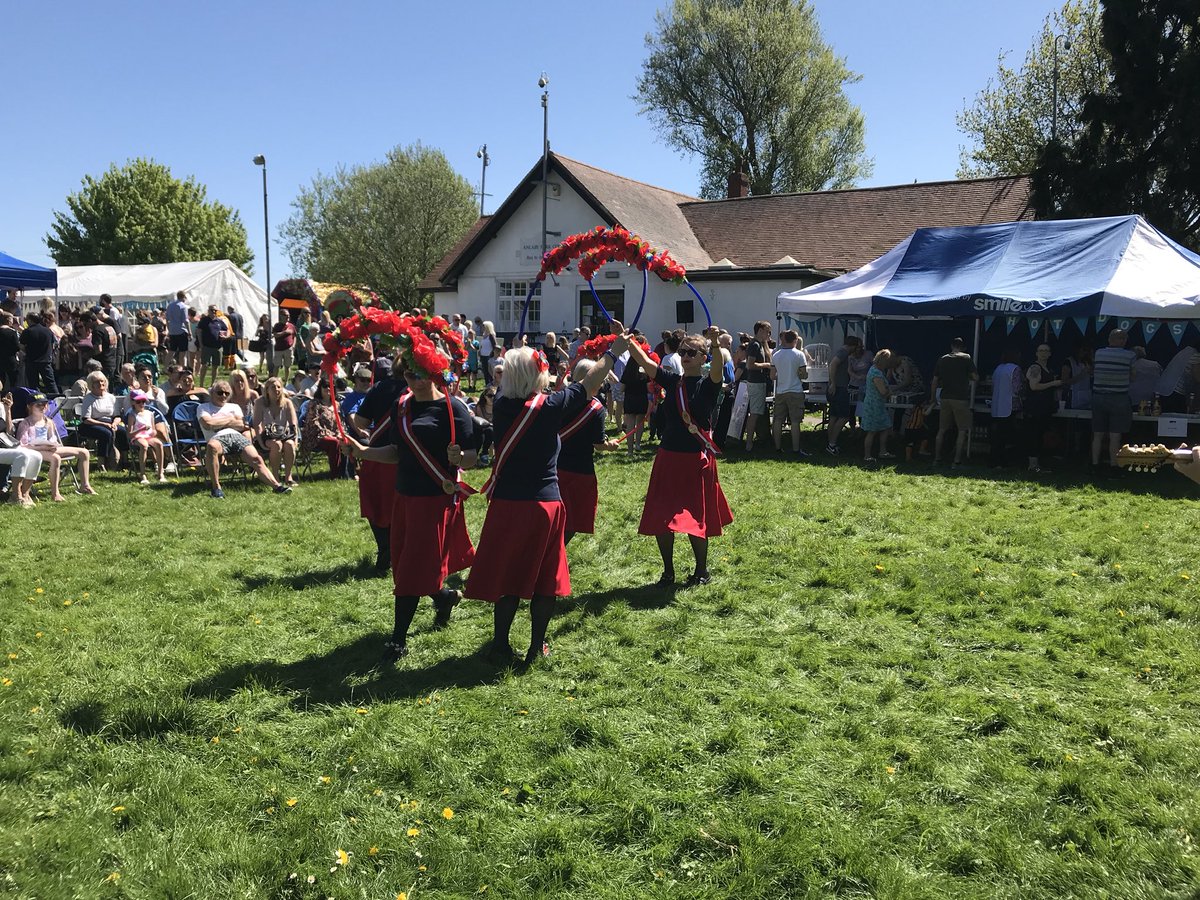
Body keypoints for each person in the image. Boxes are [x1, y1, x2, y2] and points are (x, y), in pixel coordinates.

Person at [465, 327, 627, 667]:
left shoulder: (503, 405)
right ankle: (536, 647)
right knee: (545, 580)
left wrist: (522, 355)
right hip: (543, 504)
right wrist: (614, 351)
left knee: (509, 577)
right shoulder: (551, 407)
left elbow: (527, 381)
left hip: (507, 503)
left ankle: (499, 645)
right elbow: (590, 383)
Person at [343, 338, 476, 663]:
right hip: (403, 497)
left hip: (434, 501)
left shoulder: (452, 408)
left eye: (421, 374)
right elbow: (397, 452)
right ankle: (443, 597)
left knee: (412, 568)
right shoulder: (400, 406)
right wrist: (364, 452)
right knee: (408, 565)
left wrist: (461, 457)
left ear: (434, 374)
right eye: (409, 374)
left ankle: (398, 640)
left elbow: (472, 457)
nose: (414, 381)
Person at [628, 326, 732, 587]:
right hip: (669, 456)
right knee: (663, 516)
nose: (684, 355)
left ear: (702, 358)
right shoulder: (673, 381)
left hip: (696, 459)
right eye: (683, 351)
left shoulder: (710, 384)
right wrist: (627, 339)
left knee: (697, 518)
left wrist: (716, 342)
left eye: (691, 352)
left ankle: (701, 571)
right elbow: (644, 361)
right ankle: (668, 572)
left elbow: (718, 365)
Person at [351, 356, 407, 571]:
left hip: (377, 454)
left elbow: (361, 422)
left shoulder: (379, 388)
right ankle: (396, 549)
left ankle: (385, 547)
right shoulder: (420, 391)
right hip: (409, 457)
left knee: (375, 502)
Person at [558, 358, 620, 545]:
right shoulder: (596, 409)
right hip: (580, 470)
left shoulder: (560, 399)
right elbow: (599, 444)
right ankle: (555, 552)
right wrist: (610, 445)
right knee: (573, 519)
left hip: (553, 466)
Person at [197, 380, 291, 499]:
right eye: (220, 392)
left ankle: (277, 486)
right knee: (211, 447)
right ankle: (216, 488)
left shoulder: (234, 406)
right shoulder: (203, 407)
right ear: (212, 393)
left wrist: (218, 423)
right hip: (216, 438)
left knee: (256, 459)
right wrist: (230, 420)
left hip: (237, 436)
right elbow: (207, 423)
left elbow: (242, 425)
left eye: (226, 393)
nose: (223, 396)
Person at [17, 392, 95, 500]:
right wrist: (42, 447)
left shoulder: (49, 422)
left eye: (44, 404)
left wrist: (52, 444)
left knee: (84, 452)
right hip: (35, 450)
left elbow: (52, 438)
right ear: (29, 407)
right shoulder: (26, 423)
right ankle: (55, 493)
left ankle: (85, 485)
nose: (42, 407)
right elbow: (23, 445)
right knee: (56, 458)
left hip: (50, 448)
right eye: (38, 405)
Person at [926, 337, 978, 467]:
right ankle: (957, 461)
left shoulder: (942, 359)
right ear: (963, 347)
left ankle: (937, 459)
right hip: (960, 398)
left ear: (951, 346)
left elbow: (934, 381)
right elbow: (975, 377)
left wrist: (933, 398)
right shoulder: (966, 357)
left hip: (945, 398)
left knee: (942, 429)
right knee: (962, 430)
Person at [1091, 328, 1136, 475]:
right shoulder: (1130, 355)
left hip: (1098, 396)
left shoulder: (1098, 353)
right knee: (1115, 435)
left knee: (1097, 434)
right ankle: (1113, 467)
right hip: (1119, 398)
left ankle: (1095, 465)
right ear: (1123, 340)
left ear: (1109, 339)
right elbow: (1133, 377)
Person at [252, 376, 299, 486]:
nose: (276, 390)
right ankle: (275, 477)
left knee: (289, 444)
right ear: (267, 390)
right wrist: (260, 443)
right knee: (276, 445)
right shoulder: (260, 402)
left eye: (279, 387)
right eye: (273, 387)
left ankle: (288, 476)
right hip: (267, 435)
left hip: (284, 434)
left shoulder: (287, 403)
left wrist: (295, 439)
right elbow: (257, 424)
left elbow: (293, 424)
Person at [1024, 344, 1063, 473]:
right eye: (1041, 350)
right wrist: (1053, 383)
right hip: (1035, 408)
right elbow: (1034, 386)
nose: (1043, 353)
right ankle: (1032, 466)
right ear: (1036, 353)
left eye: (1046, 350)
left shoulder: (1048, 368)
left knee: (1040, 436)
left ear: (1050, 354)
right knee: (1033, 436)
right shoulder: (1035, 367)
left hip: (1044, 408)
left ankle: (1037, 464)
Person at [0, 385, 42, 507]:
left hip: (4, 444)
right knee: (22, 455)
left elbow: (9, 431)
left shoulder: (1, 407)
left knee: (36, 456)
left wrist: (8, 410)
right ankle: (15, 496)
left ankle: (25, 494)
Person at [770, 329, 808, 455]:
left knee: (778, 420)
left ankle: (777, 447)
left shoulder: (775, 355)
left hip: (780, 391)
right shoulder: (799, 354)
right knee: (795, 421)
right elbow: (803, 375)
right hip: (795, 390)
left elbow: (772, 376)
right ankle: (796, 449)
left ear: (784, 339)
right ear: (795, 340)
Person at [300, 379, 346, 478]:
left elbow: (341, 422)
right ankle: (335, 474)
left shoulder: (337, 404)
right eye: (325, 386)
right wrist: (327, 433)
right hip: (316, 436)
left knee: (346, 440)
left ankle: (347, 472)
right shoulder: (315, 404)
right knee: (334, 442)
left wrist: (339, 433)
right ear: (320, 388)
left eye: (331, 386)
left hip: (334, 435)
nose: (328, 388)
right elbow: (313, 422)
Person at [79, 371, 124, 470]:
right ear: (91, 384)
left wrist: (115, 423)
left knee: (123, 431)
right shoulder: (88, 398)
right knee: (106, 433)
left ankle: (123, 460)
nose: (100, 384)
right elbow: (86, 419)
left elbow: (117, 416)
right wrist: (104, 424)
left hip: (110, 423)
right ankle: (101, 462)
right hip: (90, 424)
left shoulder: (111, 397)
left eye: (102, 381)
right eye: (97, 382)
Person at [825, 335, 862, 456]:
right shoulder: (843, 352)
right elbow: (832, 365)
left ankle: (830, 444)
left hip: (837, 388)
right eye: (857, 347)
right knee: (843, 417)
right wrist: (833, 384)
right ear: (853, 346)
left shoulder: (841, 352)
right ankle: (832, 443)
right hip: (839, 388)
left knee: (834, 416)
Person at [989, 348, 1024, 467]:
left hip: (996, 406)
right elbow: (1017, 389)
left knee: (997, 436)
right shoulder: (1015, 369)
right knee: (1007, 435)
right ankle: (1004, 460)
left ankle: (994, 460)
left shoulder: (998, 368)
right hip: (1010, 406)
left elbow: (992, 386)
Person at [741, 320, 773, 452]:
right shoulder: (754, 345)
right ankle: (749, 443)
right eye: (767, 331)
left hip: (760, 381)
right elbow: (749, 365)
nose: (769, 334)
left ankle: (758, 438)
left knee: (757, 411)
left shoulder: (760, 344)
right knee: (754, 413)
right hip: (755, 382)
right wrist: (766, 365)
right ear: (760, 330)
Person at [125, 391, 167, 484]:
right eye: (138, 402)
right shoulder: (132, 415)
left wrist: (154, 432)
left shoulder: (150, 414)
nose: (141, 404)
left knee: (159, 444)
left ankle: (160, 473)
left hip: (148, 436)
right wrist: (141, 429)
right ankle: (143, 474)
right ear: (133, 402)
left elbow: (153, 429)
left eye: (143, 401)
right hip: (137, 437)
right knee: (144, 445)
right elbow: (130, 434)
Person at [860, 349, 894, 462]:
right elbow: (882, 391)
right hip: (874, 405)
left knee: (885, 427)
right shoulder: (876, 373)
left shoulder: (877, 370)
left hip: (878, 404)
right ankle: (867, 455)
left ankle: (883, 451)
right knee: (872, 431)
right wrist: (890, 392)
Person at [20, 311, 58, 395]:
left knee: (33, 385)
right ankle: (57, 400)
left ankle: (36, 402)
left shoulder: (27, 331)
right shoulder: (48, 331)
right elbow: (53, 345)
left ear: (30, 320)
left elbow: (21, 346)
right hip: (45, 361)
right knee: (51, 384)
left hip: (31, 361)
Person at [620, 351, 652, 453]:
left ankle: (630, 450)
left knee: (630, 424)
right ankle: (638, 444)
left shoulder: (627, 371)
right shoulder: (644, 372)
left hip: (630, 398)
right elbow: (648, 388)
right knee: (640, 423)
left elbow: (622, 388)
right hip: (642, 398)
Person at [196, 305, 228, 386]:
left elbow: (226, 331)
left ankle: (213, 384)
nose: (214, 312)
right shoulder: (204, 320)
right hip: (207, 346)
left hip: (218, 347)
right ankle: (201, 384)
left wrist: (225, 336)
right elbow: (199, 331)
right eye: (212, 310)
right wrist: (200, 344)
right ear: (208, 310)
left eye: (215, 310)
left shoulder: (219, 321)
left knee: (215, 366)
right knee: (204, 365)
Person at [1062, 343, 1093, 410]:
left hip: (1086, 397)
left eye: (1085, 350)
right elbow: (1064, 382)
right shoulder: (1068, 362)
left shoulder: (1087, 362)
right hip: (1072, 397)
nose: (1083, 352)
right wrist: (1081, 375)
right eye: (1082, 350)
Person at [166, 291, 190, 365]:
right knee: (183, 353)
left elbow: (167, 320)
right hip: (181, 331)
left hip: (173, 331)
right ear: (184, 297)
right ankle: (183, 368)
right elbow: (186, 321)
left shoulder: (170, 306)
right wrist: (189, 332)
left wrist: (169, 330)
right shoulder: (183, 306)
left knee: (171, 351)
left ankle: (166, 367)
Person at [272, 312, 297, 383]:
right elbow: (275, 335)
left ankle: (286, 381)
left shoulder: (291, 326)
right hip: (278, 349)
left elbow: (294, 336)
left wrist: (293, 346)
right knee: (276, 365)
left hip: (288, 348)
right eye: (286, 315)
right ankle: (275, 380)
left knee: (287, 366)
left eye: (288, 315)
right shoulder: (277, 326)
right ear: (281, 316)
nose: (288, 317)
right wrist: (285, 332)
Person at [479, 320, 498, 385]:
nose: (483, 327)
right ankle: (487, 383)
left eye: (484, 326)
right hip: (483, 355)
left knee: (489, 371)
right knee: (485, 371)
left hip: (489, 355)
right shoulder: (484, 335)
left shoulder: (491, 335)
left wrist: (493, 354)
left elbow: (495, 345)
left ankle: (492, 383)